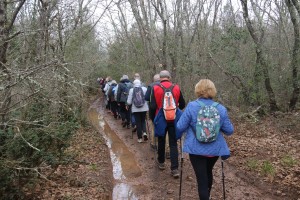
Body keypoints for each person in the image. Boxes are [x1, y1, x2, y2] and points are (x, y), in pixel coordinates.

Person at [176, 79, 234, 200]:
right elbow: (229, 131)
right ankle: (207, 195)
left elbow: (180, 126)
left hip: (195, 149)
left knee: (201, 179)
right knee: (208, 173)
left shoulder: (192, 106)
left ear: (198, 90)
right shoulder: (221, 108)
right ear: (213, 91)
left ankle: (205, 196)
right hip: (214, 150)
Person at [150, 70, 185, 178]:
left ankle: (161, 162)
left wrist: (153, 119)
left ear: (160, 78)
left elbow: (152, 106)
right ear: (169, 77)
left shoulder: (155, 88)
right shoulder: (176, 87)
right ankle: (174, 169)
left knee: (161, 140)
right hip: (173, 119)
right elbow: (183, 104)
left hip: (161, 119)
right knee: (173, 143)